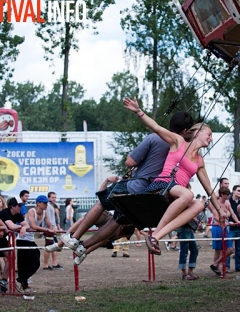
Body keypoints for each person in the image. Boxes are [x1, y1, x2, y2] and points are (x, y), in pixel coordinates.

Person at [50, 111, 196, 264]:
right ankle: (84, 247)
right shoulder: (185, 152)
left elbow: (130, 162)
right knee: (116, 221)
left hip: (135, 186)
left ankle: (74, 238)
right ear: (185, 131)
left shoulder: (155, 138)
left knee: (102, 202)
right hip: (151, 195)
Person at [123, 97, 225, 255]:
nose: (211, 138)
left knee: (198, 205)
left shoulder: (200, 161)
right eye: (209, 134)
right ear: (197, 132)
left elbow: (209, 190)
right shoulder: (178, 142)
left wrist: (219, 210)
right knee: (188, 194)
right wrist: (138, 111)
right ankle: (155, 235)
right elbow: (156, 127)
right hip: (162, 184)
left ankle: (155, 236)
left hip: (176, 194)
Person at [16, 195, 55, 293]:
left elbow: (48, 223)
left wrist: (52, 228)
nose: (46, 205)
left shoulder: (45, 212)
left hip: (30, 239)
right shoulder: (31, 211)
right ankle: (23, 283)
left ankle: (21, 279)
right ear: (38, 203)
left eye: (47, 203)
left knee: (35, 262)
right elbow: (33, 226)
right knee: (24, 263)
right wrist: (47, 230)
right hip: (22, 239)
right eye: (45, 203)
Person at [0, 197, 29, 293]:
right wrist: (22, 227)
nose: (21, 208)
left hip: (2, 237)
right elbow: (12, 226)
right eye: (19, 206)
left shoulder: (17, 214)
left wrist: (24, 228)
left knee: (11, 257)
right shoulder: (5, 213)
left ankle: (3, 280)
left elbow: (26, 224)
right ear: (12, 206)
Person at [209, 187, 238, 276]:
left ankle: (215, 264)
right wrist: (226, 220)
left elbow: (232, 213)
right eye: (227, 195)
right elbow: (216, 217)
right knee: (218, 250)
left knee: (230, 250)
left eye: (229, 194)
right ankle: (218, 269)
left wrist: (237, 221)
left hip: (225, 227)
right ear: (222, 194)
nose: (228, 196)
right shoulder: (216, 203)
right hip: (217, 227)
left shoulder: (227, 202)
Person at [226, 185, 240, 272]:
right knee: (229, 247)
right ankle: (227, 266)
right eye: (239, 190)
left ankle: (239, 266)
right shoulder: (228, 201)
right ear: (233, 191)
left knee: (239, 248)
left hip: (239, 227)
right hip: (230, 227)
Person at [42, 192, 62, 270]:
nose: (54, 198)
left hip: (52, 230)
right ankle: (46, 265)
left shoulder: (51, 206)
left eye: (55, 197)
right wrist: (51, 228)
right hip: (49, 230)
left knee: (54, 246)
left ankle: (54, 263)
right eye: (52, 197)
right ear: (48, 198)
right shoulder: (48, 206)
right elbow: (47, 219)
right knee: (48, 247)